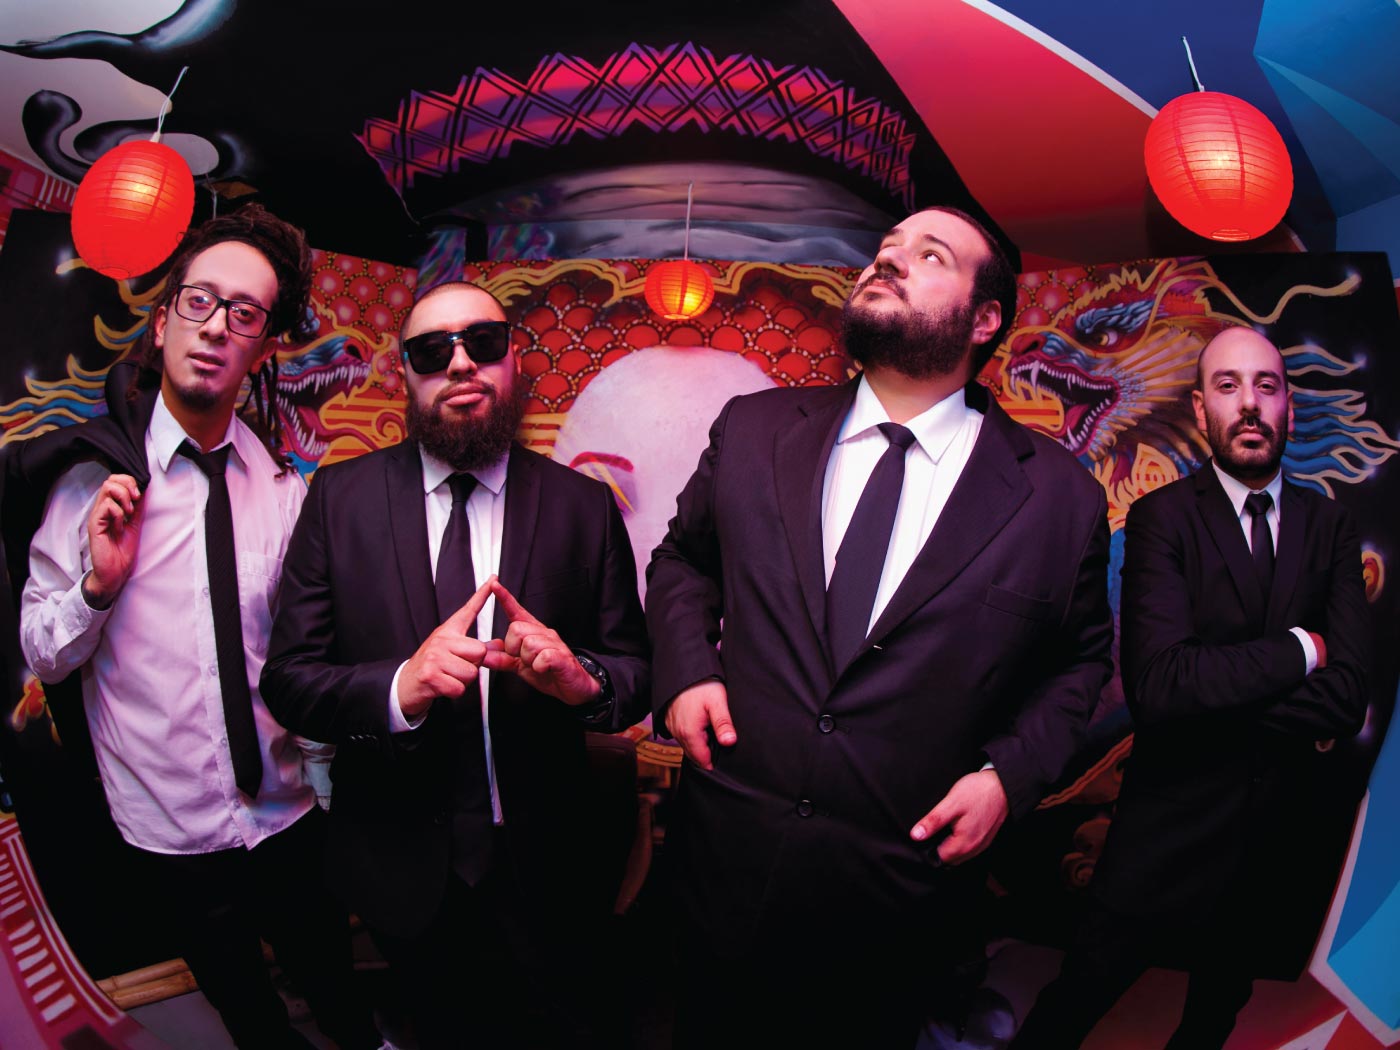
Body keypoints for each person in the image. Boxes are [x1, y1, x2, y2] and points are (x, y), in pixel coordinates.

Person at [646, 206, 1115, 1048]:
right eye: (885, 249)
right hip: (723, 870)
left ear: (985, 319)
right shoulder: (754, 429)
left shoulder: (1060, 498)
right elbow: (683, 561)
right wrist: (686, 671)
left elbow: (1078, 664)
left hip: (902, 900)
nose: (888, 262)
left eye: (930, 255)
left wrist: (1008, 776)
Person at [14, 204, 382, 1050]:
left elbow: (300, 653)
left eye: (245, 313)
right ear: (163, 318)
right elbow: (43, 652)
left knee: (333, 982)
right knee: (248, 1011)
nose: (217, 326)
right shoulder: (89, 484)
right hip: (169, 828)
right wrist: (97, 588)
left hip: (287, 813)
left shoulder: (284, 492)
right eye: (200, 301)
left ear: (264, 347)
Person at [260, 280, 651, 1049]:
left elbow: (635, 671)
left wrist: (583, 680)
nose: (462, 364)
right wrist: (398, 687)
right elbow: (289, 679)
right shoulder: (338, 500)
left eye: (484, 342)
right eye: (433, 351)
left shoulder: (582, 506)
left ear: (513, 361)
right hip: (400, 869)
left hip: (549, 866)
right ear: (404, 373)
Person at [1012, 326, 1371, 1049]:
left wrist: (1214, 686)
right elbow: (1160, 688)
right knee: (1070, 1006)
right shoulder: (1162, 518)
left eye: (1266, 386)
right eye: (1228, 386)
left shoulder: (1331, 527)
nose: (1250, 404)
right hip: (1164, 836)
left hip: (1274, 841)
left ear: (1289, 406)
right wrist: (1303, 649)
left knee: (1211, 1022)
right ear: (1202, 409)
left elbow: (1347, 698)